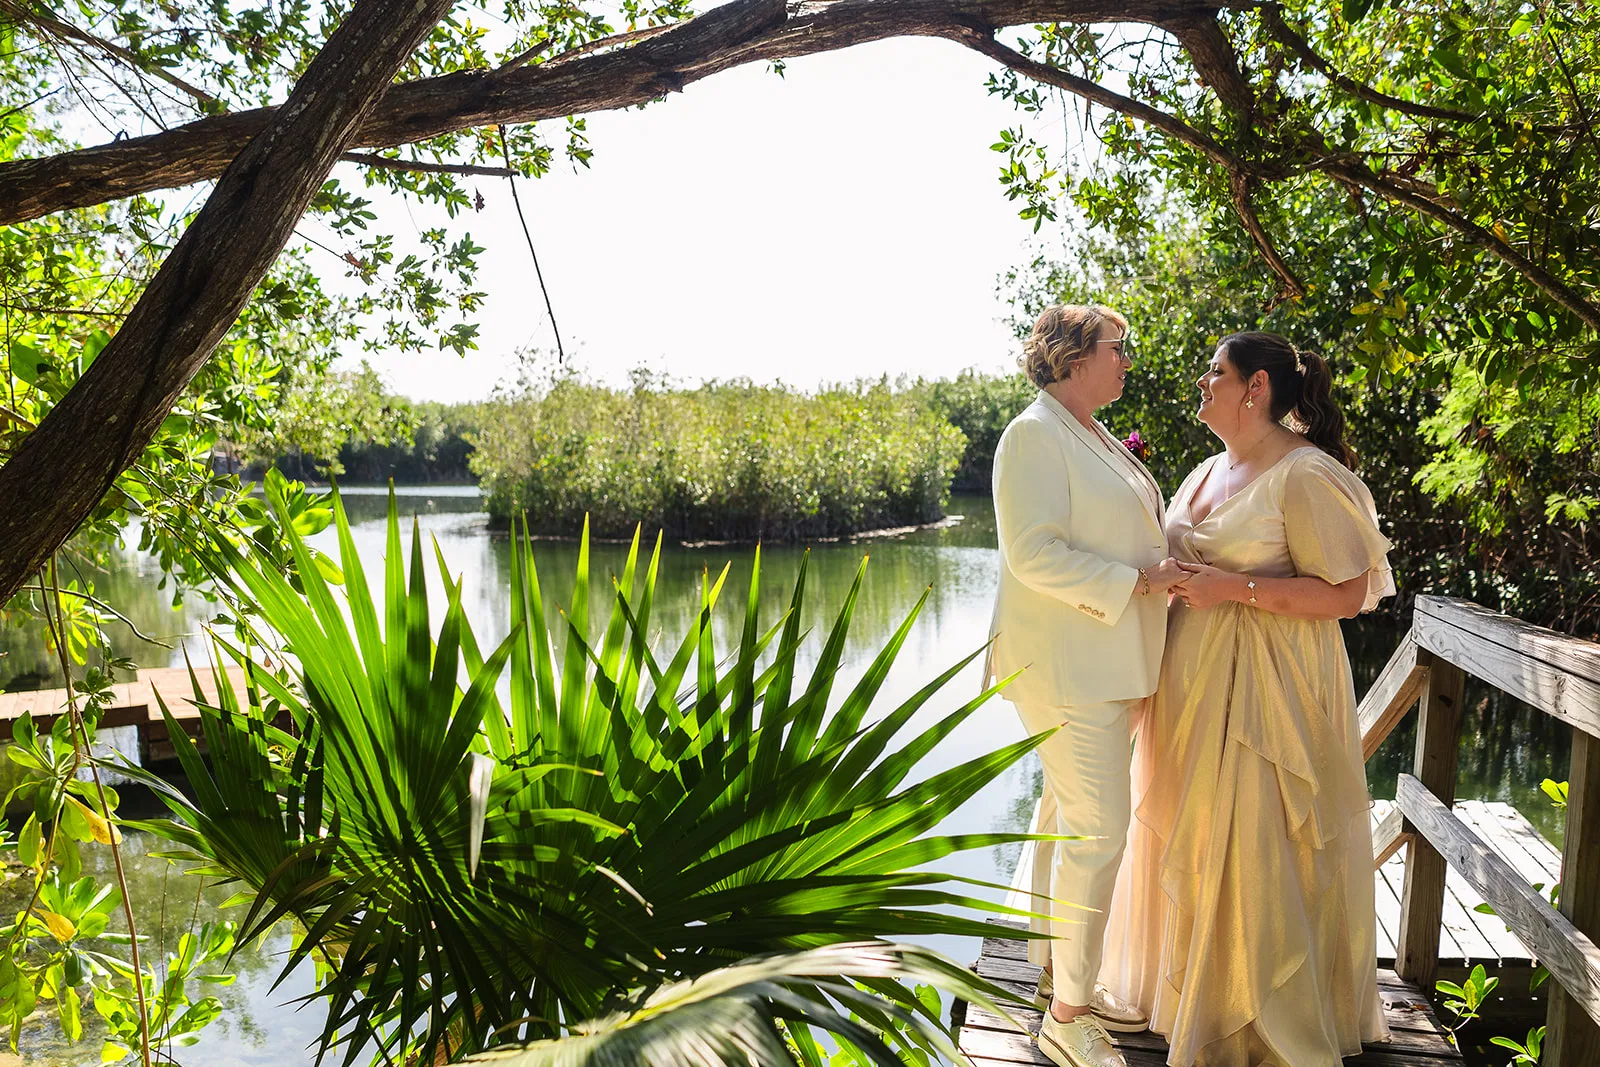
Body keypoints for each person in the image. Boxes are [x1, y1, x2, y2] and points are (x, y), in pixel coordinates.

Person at [1101, 331, 1394, 1066]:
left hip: (1271, 692)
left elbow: (1348, 594)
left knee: (1259, 842)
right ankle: (1189, 997)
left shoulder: (1306, 474)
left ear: (1255, 387)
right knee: (1194, 833)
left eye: (1215, 371)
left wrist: (1235, 588)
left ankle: (1257, 1020)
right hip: (1187, 683)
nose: (1201, 382)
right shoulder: (1204, 469)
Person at [988, 304, 1188, 1067]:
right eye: (1117, 347)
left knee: (1066, 818)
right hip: (1065, 665)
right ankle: (1067, 1019)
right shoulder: (1031, 436)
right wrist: (1141, 582)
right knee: (1099, 832)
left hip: (1105, 661)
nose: (1127, 359)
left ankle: (1057, 976)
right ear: (1074, 357)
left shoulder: (1091, 433)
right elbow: (1033, 554)